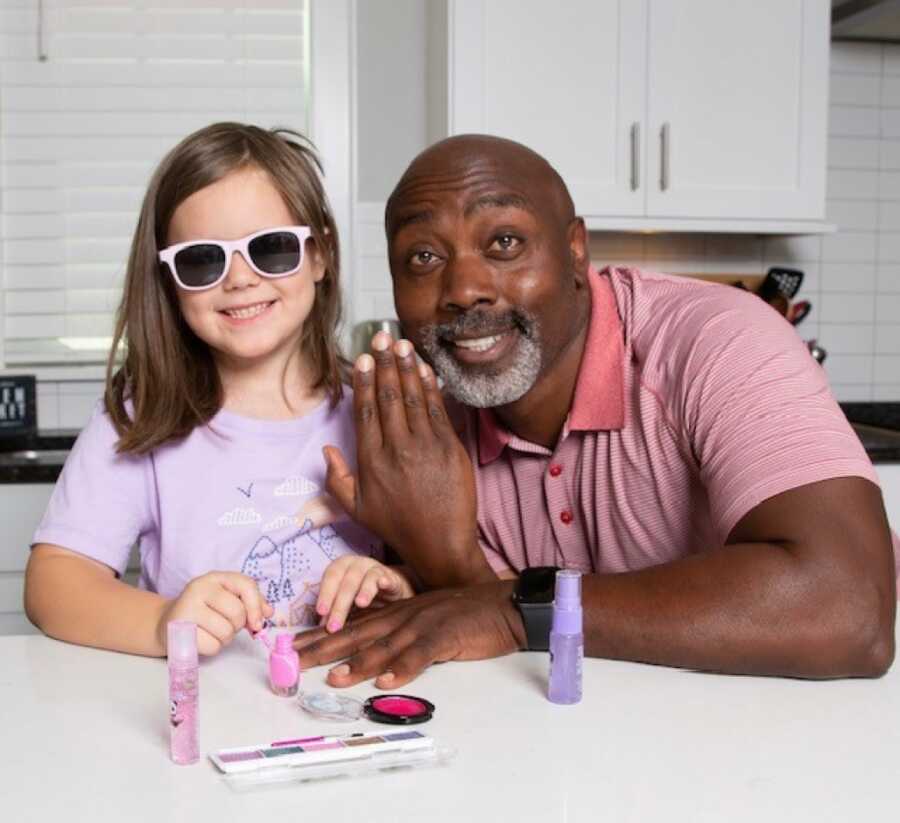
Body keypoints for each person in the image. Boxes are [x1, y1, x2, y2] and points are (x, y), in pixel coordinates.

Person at [294, 133, 899, 688]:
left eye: (504, 242)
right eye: (422, 258)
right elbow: (497, 636)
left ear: (576, 250)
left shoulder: (719, 341)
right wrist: (440, 555)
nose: (463, 289)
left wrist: (515, 606)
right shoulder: (429, 436)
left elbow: (849, 607)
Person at [24, 123, 415, 657]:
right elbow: (53, 586)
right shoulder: (142, 419)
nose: (239, 279)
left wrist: (398, 586)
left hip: (351, 715)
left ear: (320, 255)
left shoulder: (379, 412)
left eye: (272, 249)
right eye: (202, 259)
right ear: (169, 281)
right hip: (204, 716)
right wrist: (164, 622)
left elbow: (447, 566)